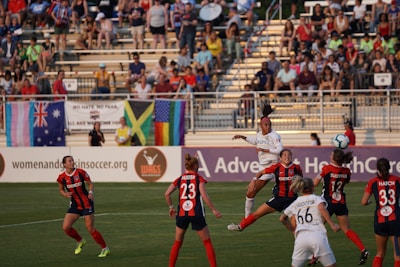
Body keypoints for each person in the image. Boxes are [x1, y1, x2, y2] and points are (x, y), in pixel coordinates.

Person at [165, 153, 221, 267]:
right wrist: (214, 210)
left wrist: (171, 207)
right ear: (195, 166)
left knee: (177, 243)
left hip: (182, 214)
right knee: (207, 242)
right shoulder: (199, 179)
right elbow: (204, 196)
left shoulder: (180, 179)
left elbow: (166, 194)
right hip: (196, 213)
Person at [314, 149, 369, 265]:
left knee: (318, 228)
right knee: (347, 229)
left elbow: (315, 183)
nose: (330, 155)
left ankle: (315, 255)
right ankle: (363, 249)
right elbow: (347, 181)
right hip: (340, 203)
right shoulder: (347, 171)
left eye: (331, 154)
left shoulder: (326, 169)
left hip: (327, 202)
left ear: (334, 158)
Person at [227, 149, 302, 231]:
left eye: (289, 155)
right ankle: (240, 226)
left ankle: (301, 238)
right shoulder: (276, 167)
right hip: (278, 199)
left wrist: (299, 186)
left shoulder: (296, 168)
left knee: (296, 222)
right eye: (284, 155)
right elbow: (261, 172)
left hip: (292, 200)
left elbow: (301, 181)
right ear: (280, 158)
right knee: (257, 213)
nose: (287, 157)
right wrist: (254, 180)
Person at [231, 106, 283, 217]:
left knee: (251, 190)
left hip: (272, 166)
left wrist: (264, 150)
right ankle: (247, 217)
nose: (268, 127)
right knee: (250, 192)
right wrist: (242, 137)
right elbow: (254, 140)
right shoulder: (259, 134)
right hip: (263, 166)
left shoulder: (274, 136)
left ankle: (247, 218)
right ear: (261, 125)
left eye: (269, 124)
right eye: (266, 125)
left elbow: (280, 150)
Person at [57, 155, 110, 258]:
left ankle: (105, 248)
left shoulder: (81, 172)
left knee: (90, 229)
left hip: (86, 203)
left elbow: (90, 183)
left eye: (72, 160)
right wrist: (64, 194)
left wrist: (90, 193)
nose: (72, 162)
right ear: (64, 164)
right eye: (69, 161)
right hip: (75, 205)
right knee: (66, 227)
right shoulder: (62, 177)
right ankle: (80, 240)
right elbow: (61, 189)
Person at [280, 176, 340, 267]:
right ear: (313, 187)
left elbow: (282, 218)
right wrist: (332, 224)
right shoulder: (317, 199)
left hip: (300, 239)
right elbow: (321, 208)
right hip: (317, 236)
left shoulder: (296, 202)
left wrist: (293, 230)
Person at [361, 157, 400, 267]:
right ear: (389, 167)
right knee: (398, 254)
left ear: (377, 169)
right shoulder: (397, 180)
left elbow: (363, 202)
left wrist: (369, 202)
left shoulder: (373, 182)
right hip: (396, 221)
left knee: (380, 253)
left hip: (380, 221)